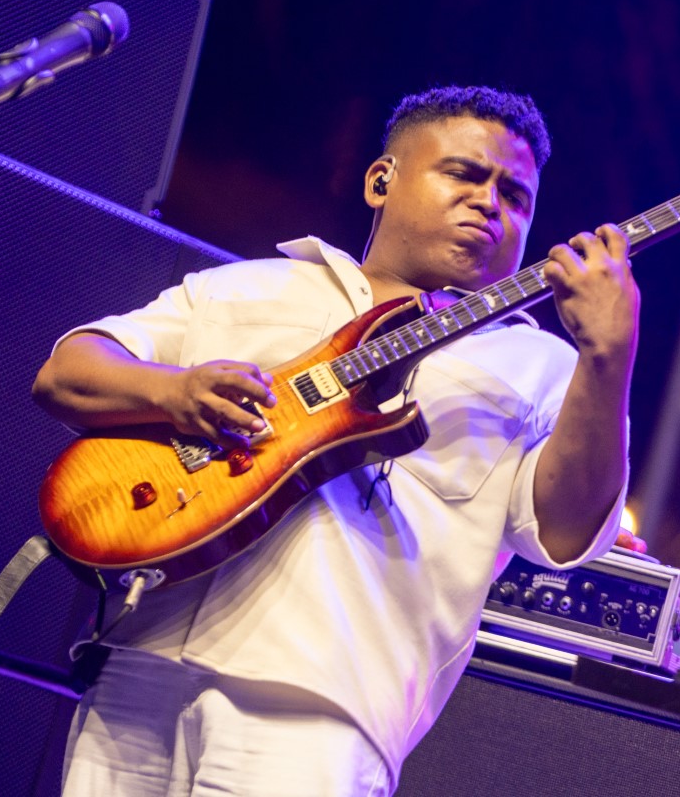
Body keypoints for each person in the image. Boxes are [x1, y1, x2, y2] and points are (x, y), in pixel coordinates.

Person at [32, 85, 640, 796]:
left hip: (320, 703)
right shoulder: (249, 286)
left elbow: (564, 535)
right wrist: (175, 390)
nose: (489, 204)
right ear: (381, 180)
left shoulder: (542, 367)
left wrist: (609, 356)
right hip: (138, 662)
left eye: (516, 196)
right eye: (464, 174)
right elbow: (66, 374)